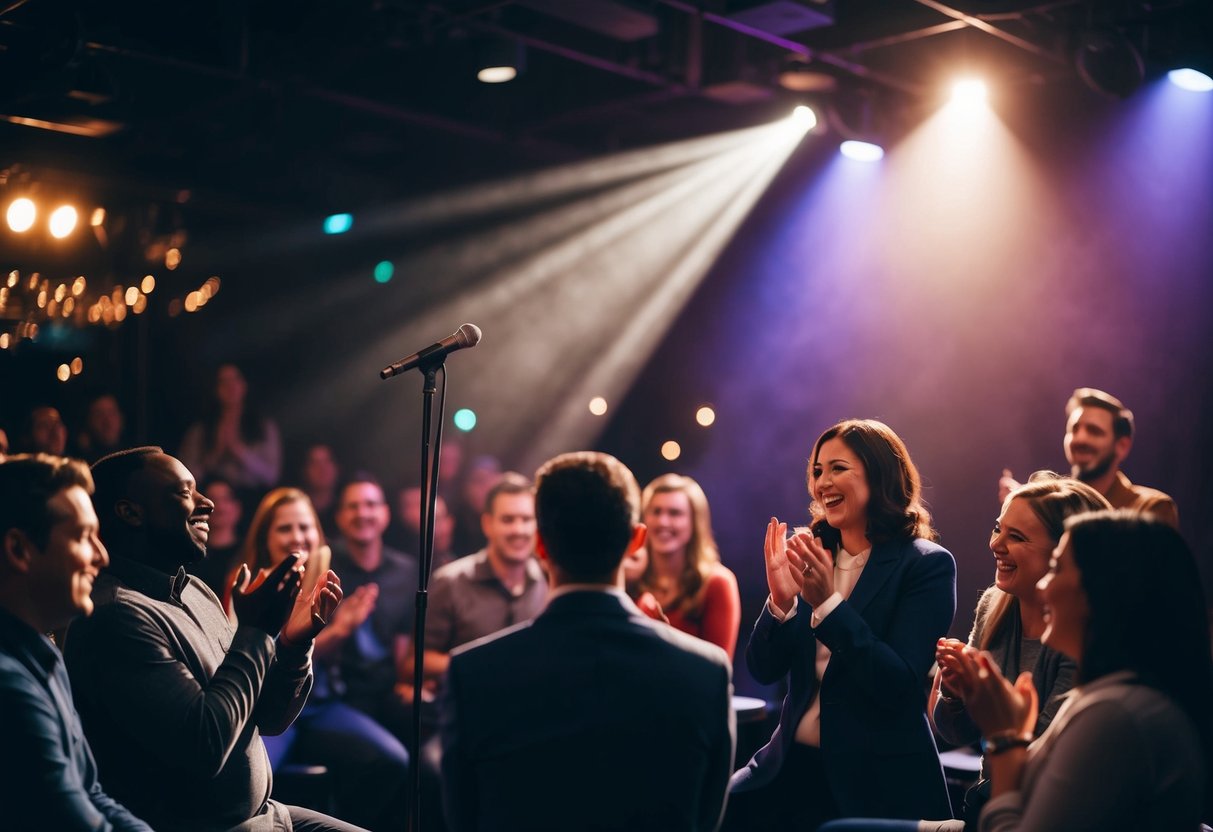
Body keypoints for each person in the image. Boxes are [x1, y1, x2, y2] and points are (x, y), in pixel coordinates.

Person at [63, 447, 358, 832]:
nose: (208, 504)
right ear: (130, 512)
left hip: (270, 814)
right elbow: (203, 746)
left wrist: (292, 646)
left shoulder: (195, 591)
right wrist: (255, 632)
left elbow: (267, 719)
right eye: (185, 493)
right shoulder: (115, 616)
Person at [439, 451, 735, 832]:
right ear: (636, 540)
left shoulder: (471, 673)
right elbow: (706, 821)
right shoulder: (706, 671)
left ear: (540, 544)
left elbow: (462, 819)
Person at [726, 419, 956, 830]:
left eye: (837, 468)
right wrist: (780, 603)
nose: (822, 483)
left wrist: (828, 605)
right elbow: (763, 670)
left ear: (880, 473)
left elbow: (898, 685)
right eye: (817, 471)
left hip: (874, 784)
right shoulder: (811, 552)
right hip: (788, 769)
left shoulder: (925, 564)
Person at [949, 511, 1212, 831]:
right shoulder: (1103, 695)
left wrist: (1006, 737)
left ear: (1100, 591)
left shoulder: (1115, 716)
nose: (1043, 585)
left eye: (1056, 568)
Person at [930, 474, 1110, 826]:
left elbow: (1048, 762)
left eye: (1017, 537)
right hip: (987, 804)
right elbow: (953, 734)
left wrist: (995, 716)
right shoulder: (993, 605)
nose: (996, 544)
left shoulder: (1080, 631)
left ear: (1064, 552)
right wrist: (952, 692)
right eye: (999, 529)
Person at [234, 488, 409, 832]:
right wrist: (340, 631)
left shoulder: (322, 579)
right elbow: (263, 663)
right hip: (268, 712)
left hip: (320, 707)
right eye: (285, 528)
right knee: (250, 785)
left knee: (394, 761)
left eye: (305, 527)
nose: (297, 537)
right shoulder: (249, 584)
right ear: (265, 536)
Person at [0, 454, 151, 831]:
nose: (101, 556)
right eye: (84, 537)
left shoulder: (44, 652)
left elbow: (91, 793)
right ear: (19, 550)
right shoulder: (9, 686)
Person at [415, 473, 547, 696]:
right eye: (508, 520)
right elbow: (415, 663)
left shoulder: (546, 581)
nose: (518, 530)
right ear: (487, 524)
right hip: (466, 715)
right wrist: (489, 666)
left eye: (526, 519)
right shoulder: (450, 581)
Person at [326, 474, 419, 742]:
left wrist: (411, 683)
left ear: (385, 514)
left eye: (370, 504)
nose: (362, 513)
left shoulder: (406, 570)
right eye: (352, 506)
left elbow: (404, 641)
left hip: (388, 691)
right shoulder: (325, 565)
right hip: (339, 695)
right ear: (340, 516)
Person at [999, 388, 1177, 527]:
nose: (1080, 438)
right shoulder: (1049, 503)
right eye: (1074, 429)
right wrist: (1028, 509)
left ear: (1122, 446)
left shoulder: (1151, 507)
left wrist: (1040, 511)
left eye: (1094, 431)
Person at [638, 473, 741, 659]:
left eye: (674, 513)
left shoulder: (717, 583)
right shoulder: (632, 578)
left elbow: (717, 670)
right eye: (656, 511)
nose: (663, 522)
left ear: (695, 523)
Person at [179, 363, 282, 499]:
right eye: (223, 382)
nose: (230, 386)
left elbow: (271, 476)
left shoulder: (262, 427)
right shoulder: (200, 430)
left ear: (245, 385)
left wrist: (240, 452)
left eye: (235, 379)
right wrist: (215, 455)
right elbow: (183, 477)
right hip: (210, 499)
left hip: (251, 499)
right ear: (215, 389)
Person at [186, 476, 244, 599]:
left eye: (226, 499)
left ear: (237, 508)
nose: (219, 506)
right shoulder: (191, 554)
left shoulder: (248, 552)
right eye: (213, 499)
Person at [74, 392, 127, 462]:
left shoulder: (135, 461)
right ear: (88, 421)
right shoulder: (81, 466)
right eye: (99, 415)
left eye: (112, 413)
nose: (108, 422)